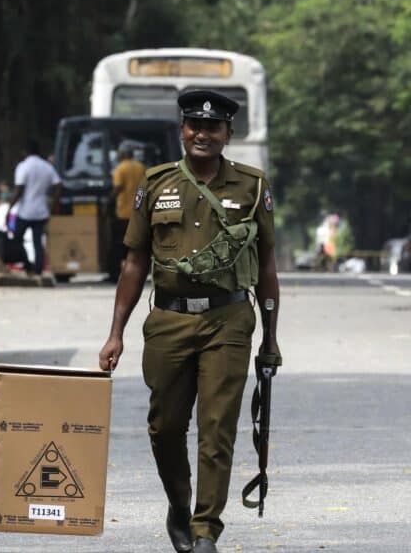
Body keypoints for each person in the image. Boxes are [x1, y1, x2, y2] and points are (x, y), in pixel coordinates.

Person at [97, 90, 281, 553]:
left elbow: (267, 267)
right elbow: (134, 263)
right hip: (169, 323)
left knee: (217, 428)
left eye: (213, 127)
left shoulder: (253, 186)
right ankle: (179, 505)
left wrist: (271, 340)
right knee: (164, 427)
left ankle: (205, 530)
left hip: (229, 321)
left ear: (227, 135)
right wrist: (116, 332)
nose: (202, 134)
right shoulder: (154, 184)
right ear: (182, 131)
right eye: (194, 126)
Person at [9, 138, 61, 276]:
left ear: (25, 151)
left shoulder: (23, 166)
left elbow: (19, 189)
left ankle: (27, 264)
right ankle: (38, 269)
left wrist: (10, 207)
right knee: (37, 241)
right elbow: (59, 185)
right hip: (42, 210)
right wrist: (52, 202)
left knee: (17, 238)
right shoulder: (47, 167)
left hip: (25, 211)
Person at [107, 141, 147, 282]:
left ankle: (114, 275)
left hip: (123, 213)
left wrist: (109, 201)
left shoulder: (120, 168)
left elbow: (117, 188)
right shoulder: (141, 167)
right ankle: (137, 273)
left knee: (118, 245)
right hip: (138, 213)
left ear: (122, 154)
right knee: (135, 245)